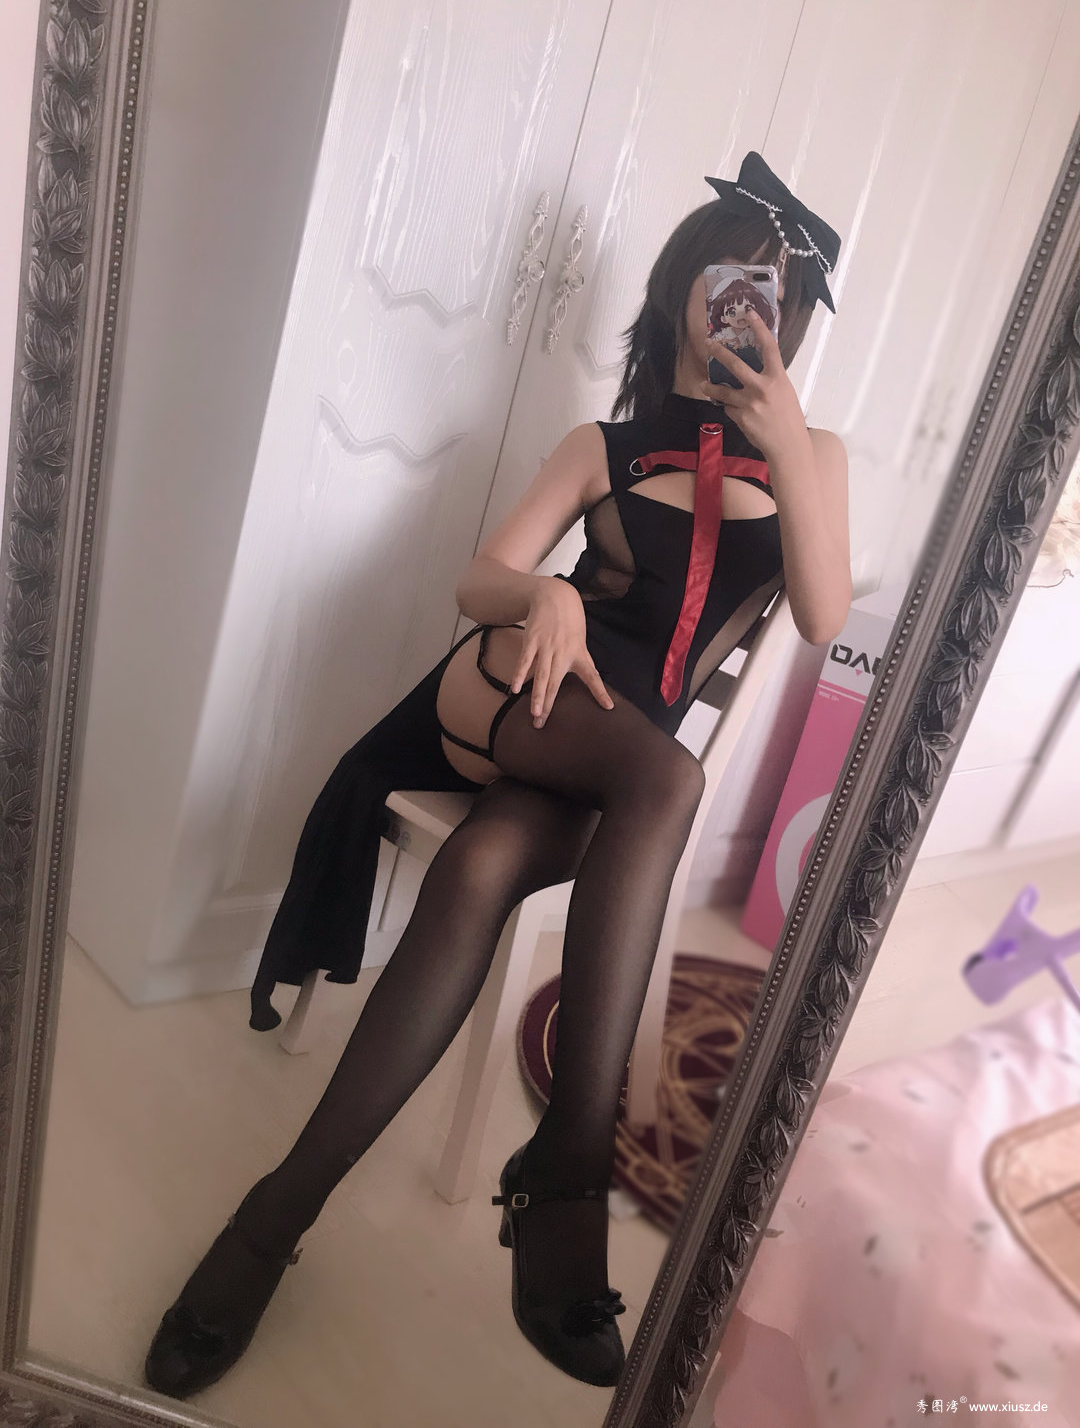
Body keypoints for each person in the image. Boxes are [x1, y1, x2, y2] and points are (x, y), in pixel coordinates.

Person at [144, 151, 850, 1398]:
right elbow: (479, 581)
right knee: (667, 785)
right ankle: (569, 1171)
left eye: (773, 288)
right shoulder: (601, 442)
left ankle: (271, 1216)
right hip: (515, 694)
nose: (748, 301)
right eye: (728, 275)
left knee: (482, 864)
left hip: (612, 768)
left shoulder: (819, 456)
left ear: (789, 317)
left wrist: (786, 443)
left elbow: (821, 613)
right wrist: (546, 599)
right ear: (684, 289)